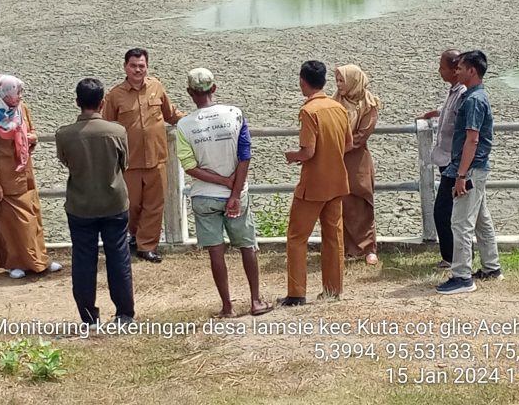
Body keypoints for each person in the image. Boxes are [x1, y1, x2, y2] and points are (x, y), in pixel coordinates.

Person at [176, 68, 272, 318]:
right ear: (214, 89)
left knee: (216, 251)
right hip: (237, 193)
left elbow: (189, 166)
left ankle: (227, 306)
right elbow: (245, 155)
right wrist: (235, 190)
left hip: (205, 195)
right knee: (247, 245)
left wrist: (221, 181)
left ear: (190, 93)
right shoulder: (235, 114)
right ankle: (255, 300)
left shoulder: (184, 125)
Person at [56, 78, 135, 324]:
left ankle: (89, 315)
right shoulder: (117, 131)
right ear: (102, 103)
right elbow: (125, 164)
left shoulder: (64, 134)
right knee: (118, 256)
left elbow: (66, 162)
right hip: (114, 202)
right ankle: (124, 313)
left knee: (83, 260)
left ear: (77, 102)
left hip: (80, 205)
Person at [0, 74, 62, 279]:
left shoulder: (21, 110)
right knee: (10, 223)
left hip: (23, 173)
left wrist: (33, 138)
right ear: (3, 94)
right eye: (15, 92)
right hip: (2, 178)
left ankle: (39, 259)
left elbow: (32, 131)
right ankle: (15, 263)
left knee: (32, 216)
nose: (19, 96)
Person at [278, 61, 352, 306]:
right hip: (337, 181)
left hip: (313, 185)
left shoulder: (309, 112)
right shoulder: (338, 108)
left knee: (297, 237)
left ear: (302, 81)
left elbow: (308, 151)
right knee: (333, 236)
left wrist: (293, 156)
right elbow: (349, 144)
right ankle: (333, 289)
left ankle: (297, 292)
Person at [102, 48, 184, 263]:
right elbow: (106, 127)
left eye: (141, 65)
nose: (138, 70)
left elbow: (171, 114)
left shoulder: (156, 87)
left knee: (154, 205)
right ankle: (132, 237)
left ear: (147, 67)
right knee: (131, 205)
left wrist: (196, 122)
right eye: (133, 65)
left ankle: (146, 246)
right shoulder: (114, 95)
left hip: (157, 159)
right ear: (125, 67)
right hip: (129, 162)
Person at [436, 50, 502, 295]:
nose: (457, 71)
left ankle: (462, 276)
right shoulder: (477, 96)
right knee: (482, 221)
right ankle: (491, 267)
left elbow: (472, 140)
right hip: (476, 168)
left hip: (472, 169)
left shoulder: (473, 100)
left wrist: (461, 175)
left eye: (461, 68)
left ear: (472, 71)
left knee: (461, 222)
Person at [418, 50, 466, 269]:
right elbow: (448, 111)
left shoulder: (463, 93)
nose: (439, 71)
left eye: (442, 67)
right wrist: (432, 113)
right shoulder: (454, 91)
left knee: (445, 211)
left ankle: (452, 258)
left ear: (456, 70)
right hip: (448, 159)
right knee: (454, 210)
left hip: (453, 161)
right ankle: (455, 256)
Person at [333, 64, 381, 266]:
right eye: (337, 80)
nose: (338, 84)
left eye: (342, 80)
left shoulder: (369, 104)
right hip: (337, 160)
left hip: (357, 159)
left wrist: (339, 146)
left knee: (362, 203)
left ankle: (368, 248)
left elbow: (361, 136)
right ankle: (343, 247)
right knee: (340, 202)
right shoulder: (334, 102)